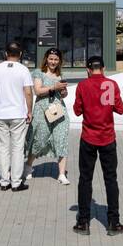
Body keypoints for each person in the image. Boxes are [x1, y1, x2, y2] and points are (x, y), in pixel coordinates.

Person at [72, 54, 123, 235]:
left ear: (87, 69)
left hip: (88, 137)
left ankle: (83, 222)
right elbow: (120, 109)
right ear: (102, 69)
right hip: (108, 137)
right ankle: (113, 222)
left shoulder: (82, 85)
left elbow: (77, 111)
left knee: (85, 179)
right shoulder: (112, 85)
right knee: (111, 179)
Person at [0, 41, 33, 191]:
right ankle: (16, 182)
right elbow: (28, 92)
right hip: (18, 114)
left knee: (3, 147)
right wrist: (29, 110)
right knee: (17, 147)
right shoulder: (23, 70)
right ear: (21, 54)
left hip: (0, 114)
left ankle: (4, 181)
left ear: (5, 54)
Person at [26, 47, 70, 185]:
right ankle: (28, 166)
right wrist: (53, 88)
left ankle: (62, 174)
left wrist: (63, 92)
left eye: (56, 59)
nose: (53, 62)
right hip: (42, 111)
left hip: (58, 111)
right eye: (51, 59)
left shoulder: (59, 75)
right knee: (39, 139)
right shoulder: (39, 73)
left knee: (61, 139)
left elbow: (64, 94)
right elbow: (38, 91)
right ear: (46, 59)